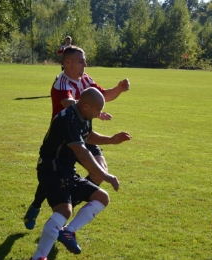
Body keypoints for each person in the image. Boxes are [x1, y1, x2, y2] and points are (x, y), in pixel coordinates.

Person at [24, 46, 130, 230]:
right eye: (81, 61)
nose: (85, 64)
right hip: (64, 138)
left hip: (84, 133)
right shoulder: (61, 82)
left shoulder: (86, 78)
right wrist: (95, 112)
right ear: (67, 62)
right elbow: (71, 104)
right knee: (53, 174)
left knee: (99, 171)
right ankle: (36, 205)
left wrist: (119, 89)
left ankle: (67, 203)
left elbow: (102, 96)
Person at [30, 88, 132, 260]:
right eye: (98, 110)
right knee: (64, 210)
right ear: (86, 106)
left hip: (67, 170)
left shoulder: (83, 116)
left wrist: (111, 140)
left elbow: (87, 136)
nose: (100, 113)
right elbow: (81, 151)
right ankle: (39, 257)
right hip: (52, 169)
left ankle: (68, 231)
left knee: (101, 197)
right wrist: (105, 175)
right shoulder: (67, 119)